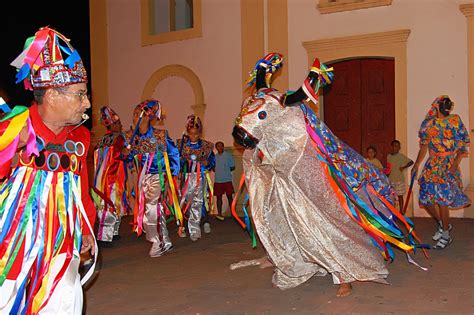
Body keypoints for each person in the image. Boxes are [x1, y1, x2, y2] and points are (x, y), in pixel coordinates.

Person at [232, 53, 422, 297]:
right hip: (288, 185)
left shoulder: (299, 131)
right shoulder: (273, 127)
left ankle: (342, 274)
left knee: (324, 220)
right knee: (286, 217)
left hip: (312, 186)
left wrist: (313, 77)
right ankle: (292, 257)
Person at [0, 27, 96, 313]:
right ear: (53, 95)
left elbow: (81, 187)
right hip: (10, 250)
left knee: (66, 297)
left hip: (61, 245)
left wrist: (86, 227)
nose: (87, 103)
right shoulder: (12, 131)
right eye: (80, 95)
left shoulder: (79, 139)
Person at [411, 95, 470, 249]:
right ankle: (444, 224)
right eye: (443, 104)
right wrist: (416, 165)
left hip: (448, 164)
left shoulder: (455, 121)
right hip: (432, 165)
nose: (446, 107)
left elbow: (462, 147)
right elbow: (424, 146)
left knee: (442, 200)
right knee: (426, 200)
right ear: (436, 106)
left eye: (447, 105)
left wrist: (454, 165)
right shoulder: (428, 124)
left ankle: (445, 235)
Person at [124, 99, 181, 257]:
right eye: (134, 114)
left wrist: (172, 177)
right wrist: (127, 156)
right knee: (152, 209)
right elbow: (130, 160)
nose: (134, 117)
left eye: (137, 114)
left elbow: (174, 154)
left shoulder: (160, 135)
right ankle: (165, 241)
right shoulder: (132, 139)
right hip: (143, 178)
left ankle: (156, 242)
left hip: (159, 176)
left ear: (147, 117)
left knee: (151, 206)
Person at [92, 106, 130, 247]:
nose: (121, 126)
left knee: (114, 203)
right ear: (111, 125)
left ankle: (113, 232)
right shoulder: (117, 138)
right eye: (118, 123)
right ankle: (104, 236)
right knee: (110, 203)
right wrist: (124, 154)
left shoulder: (103, 139)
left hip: (103, 177)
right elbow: (116, 155)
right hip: (111, 178)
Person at [177, 115, 215, 241]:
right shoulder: (181, 145)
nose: (194, 136)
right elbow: (176, 162)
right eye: (191, 134)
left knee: (198, 202)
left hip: (199, 176)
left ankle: (194, 228)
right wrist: (182, 161)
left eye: (196, 134)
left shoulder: (206, 146)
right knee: (184, 201)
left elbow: (211, 161)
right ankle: (182, 225)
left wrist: (207, 163)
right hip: (186, 177)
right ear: (187, 133)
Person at [387, 140, 413, 214]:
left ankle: (402, 211)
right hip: (391, 179)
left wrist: (403, 167)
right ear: (392, 147)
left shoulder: (401, 156)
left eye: (398, 146)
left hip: (399, 179)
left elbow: (411, 162)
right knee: (391, 196)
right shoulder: (389, 156)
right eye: (395, 146)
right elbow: (388, 166)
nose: (397, 148)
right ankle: (392, 211)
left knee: (400, 196)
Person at [213, 141, 235, 221]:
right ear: (216, 148)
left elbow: (233, 167)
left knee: (230, 197)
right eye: (218, 146)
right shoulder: (214, 157)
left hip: (227, 180)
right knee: (219, 198)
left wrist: (225, 169)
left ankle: (233, 214)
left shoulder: (228, 156)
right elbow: (213, 168)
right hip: (218, 180)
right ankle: (219, 214)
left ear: (223, 147)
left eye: (221, 146)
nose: (220, 148)